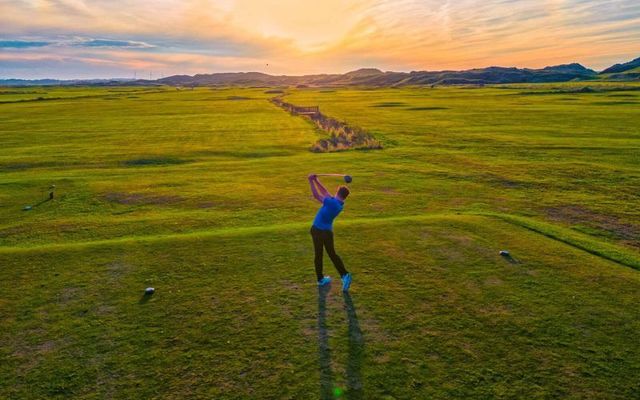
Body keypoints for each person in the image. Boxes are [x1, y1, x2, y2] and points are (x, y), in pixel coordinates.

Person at [308, 174, 352, 291]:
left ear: (337, 191)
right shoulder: (339, 204)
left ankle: (321, 279)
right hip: (327, 232)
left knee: (318, 255)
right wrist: (316, 180)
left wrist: (310, 181)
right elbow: (325, 192)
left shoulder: (332, 203)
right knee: (332, 254)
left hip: (318, 230)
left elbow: (316, 195)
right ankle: (344, 275)